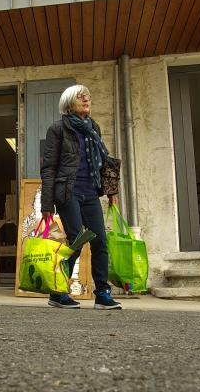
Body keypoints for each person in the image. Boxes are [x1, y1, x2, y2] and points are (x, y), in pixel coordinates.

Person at [41, 84, 122, 310]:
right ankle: (57, 292)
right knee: (77, 239)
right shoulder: (58, 129)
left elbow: (104, 160)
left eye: (88, 96)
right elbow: (48, 167)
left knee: (100, 241)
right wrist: (47, 203)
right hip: (68, 192)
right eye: (80, 96)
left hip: (90, 192)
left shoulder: (92, 127)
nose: (86, 99)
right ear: (68, 103)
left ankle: (102, 294)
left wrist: (112, 191)